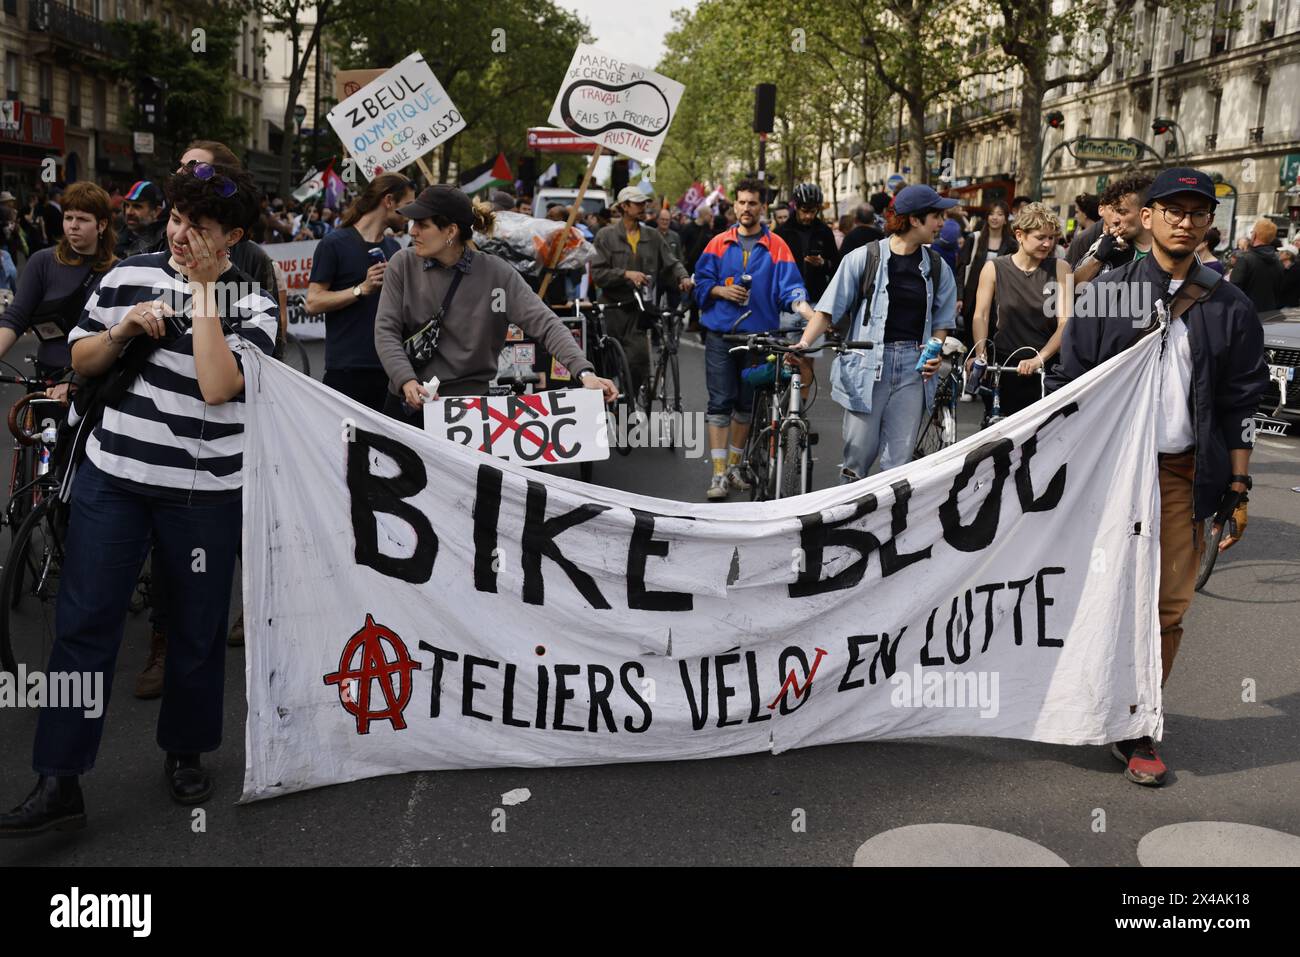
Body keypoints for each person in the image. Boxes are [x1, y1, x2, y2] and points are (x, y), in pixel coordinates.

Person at [0, 163, 280, 835]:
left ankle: (186, 749)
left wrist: (204, 296)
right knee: (84, 624)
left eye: (200, 228)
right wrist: (124, 329)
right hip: (113, 478)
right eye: (177, 221)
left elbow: (219, 385)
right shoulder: (124, 274)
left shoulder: (257, 302)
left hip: (203, 492)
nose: (181, 236)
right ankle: (58, 779)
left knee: (195, 627)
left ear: (232, 236)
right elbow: (83, 358)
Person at [1047, 167, 1268, 787]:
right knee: (1091, 595)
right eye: (1172, 209)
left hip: (1181, 476)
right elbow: (1071, 389)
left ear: (1209, 226)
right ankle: (1065, 696)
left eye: (1198, 212)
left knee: (1169, 606)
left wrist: (1240, 487)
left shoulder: (1230, 305)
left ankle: (1137, 723)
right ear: (1146, 218)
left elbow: (1242, 402)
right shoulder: (1106, 294)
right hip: (1109, 474)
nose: (1185, 220)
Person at [373, 185, 616, 420]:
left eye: (422, 224)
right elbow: (386, 330)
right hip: (408, 404)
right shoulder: (401, 264)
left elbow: (546, 324)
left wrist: (585, 373)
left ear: (450, 231)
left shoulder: (497, 273)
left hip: (469, 411)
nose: (412, 231)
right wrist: (406, 380)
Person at [793, 184, 958, 480]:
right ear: (915, 219)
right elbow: (828, 309)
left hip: (914, 370)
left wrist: (934, 350)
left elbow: (942, 322)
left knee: (898, 464)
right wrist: (804, 343)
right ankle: (846, 520)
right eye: (936, 216)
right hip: (868, 366)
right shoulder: (864, 258)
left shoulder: (937, 266)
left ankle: (888, 526)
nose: (942, 224)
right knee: (856, 461)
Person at [693, 178, 819, 500]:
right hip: (721, 336)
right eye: (742, 202)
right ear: (734, 205)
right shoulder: (717, 243)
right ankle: (718, 474)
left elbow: (792, 290)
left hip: (758, 339)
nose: (746, 208)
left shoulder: (777, 246)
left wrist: (811, 315)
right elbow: (700, 284)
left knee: (745, 406)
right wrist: (720, 289)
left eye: (753, 203)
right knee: (719, 402)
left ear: (762, 208)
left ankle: (735, 467)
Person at [305, 172, 414, 412]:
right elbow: (312, 302)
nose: (410, 214)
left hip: (389, 370)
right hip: (347, 370)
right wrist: (360, 289)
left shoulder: (394, 247)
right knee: (345, 448)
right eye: (407, 206)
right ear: (389, 201)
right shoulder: (334, 243)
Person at [0, 182, 116, 388]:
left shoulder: (119, 270)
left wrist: (76, 379)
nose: (73, 225)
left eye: (82, 219)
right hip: (47, 375)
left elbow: (116, 336)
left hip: (91, 381)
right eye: (68, 217)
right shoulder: (42, 262)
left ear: (102, 224)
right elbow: (16, 317)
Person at [965, 202, 1071, 420]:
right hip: (1003, 363)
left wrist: (1040, 358)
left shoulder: (1060, 268)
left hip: (1045, 364)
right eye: (1041, 237)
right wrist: (980, 354)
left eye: (1052, 238)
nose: (1047, 244)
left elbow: (1065, 322)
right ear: (1020, 235)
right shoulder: (994, 268)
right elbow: (981, 315)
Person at [590, 187, 693, 398]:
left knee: (638, 363)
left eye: (644, 203)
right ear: (623, 207)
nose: (643, 207)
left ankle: (630, 400)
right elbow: (598, 274)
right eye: (637, 203)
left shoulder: (653, 236)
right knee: (607, 362)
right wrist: (625, 274)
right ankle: (608, 399)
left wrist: (682, 277)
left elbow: (671, 262)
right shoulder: (605, 236)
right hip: (612, 309)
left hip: (641, 310)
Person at [1072, 175, 1154, 285]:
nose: (1114, 220)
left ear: (1145, 214)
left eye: (1122, 212)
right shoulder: (1107, 242)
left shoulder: (1169, 247)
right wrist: (1098, 258)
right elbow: (1073, 286)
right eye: (1113, 211)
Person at [956, 200, 1016, 334]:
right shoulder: (974, 239)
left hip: (999, 301)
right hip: (972, 298)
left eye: (1000, 214)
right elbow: (961, 269)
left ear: (1006, 219)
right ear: (987, 217)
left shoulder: (1012, 245)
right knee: (971, 336)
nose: (995, 218)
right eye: (991, 214)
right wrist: (959, 297)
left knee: (993, 336)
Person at [1228, 218, 1284, 313]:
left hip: (1247, 316)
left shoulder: (1245, 259)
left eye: (1252, 232)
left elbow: (1233, 291)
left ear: (1255, 235)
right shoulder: (1278, 262)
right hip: (1270, 315)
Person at [115, 180, 167, 259]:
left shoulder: (164, 242)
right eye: (127, 205)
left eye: (137, 206)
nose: (129, 212)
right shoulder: (115, 239)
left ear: (156, 211)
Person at [656, 207, 685, 310]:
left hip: (672, 278)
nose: (664, 222)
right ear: (657, 220)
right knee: (654, 306)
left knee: (674, 306)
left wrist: (681, 276)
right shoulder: (652, 235)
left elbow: (679, 256)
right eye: (662, 219)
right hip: (657, 277)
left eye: (667, 220)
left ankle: (671, 324)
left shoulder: (675, 236)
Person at [1066, 193, 1103, 265]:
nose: (1075, 216)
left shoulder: (1081, 239)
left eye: (1077, 212)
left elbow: (1069, 269)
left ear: (1085, 213)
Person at [1279, 243, 1300, 308]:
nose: (1279, 253)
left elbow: (1284, 287)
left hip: (1289, 305)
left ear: (1288, 255)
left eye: (1282, 252)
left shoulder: (1295, 270)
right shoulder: (1287, 268)